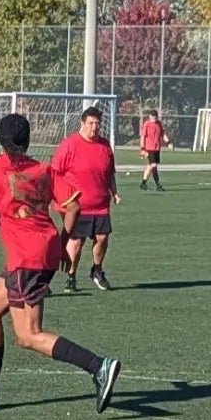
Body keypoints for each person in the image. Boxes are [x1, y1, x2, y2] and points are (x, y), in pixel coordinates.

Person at [0, 112, 122, 414]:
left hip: (26, 258)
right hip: (43, 251)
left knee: (29, 335)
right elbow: (74, 206)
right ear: (27, 141)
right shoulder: (44, 169)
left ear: (0, 141)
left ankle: (98, 366)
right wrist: (65, 241)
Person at [51, 105, 120, 292]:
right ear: (82, 123)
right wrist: (58, 198)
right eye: (91, 123)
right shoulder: (69, 145)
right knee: (77, 241)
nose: (94, 127)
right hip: (77, 206)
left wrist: (115, 193)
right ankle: (71, 277)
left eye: (97, 123)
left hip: (100, 205)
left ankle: (97, 270)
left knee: (103, 238)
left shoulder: (105, 146)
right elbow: (54, 173)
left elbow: (110, 174)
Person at [138, 108, 171, 191]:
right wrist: (142, 148)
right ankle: (158, 185)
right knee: (154, 166)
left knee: (150, 167)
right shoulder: (147, 124)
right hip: (149, 148)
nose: (154, 119)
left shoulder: (159, 124)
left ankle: (143, 183)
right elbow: (143, 137)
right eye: (153, 117)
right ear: (149, 116)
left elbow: (162, 134)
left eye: (155, 117)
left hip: (156, 148)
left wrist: (169, 142)